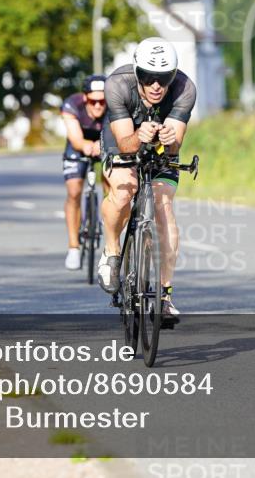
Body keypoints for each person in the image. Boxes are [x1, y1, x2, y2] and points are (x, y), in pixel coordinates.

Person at [98, 37, 196, 319]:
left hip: (159, 146)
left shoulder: (184, 89)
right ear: (138, 73)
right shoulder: (117, 85)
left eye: (163, 78)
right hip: (124, 138)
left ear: (173, 76)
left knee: (163, 205)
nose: (156, 86)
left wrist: (169, 140)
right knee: (123, 192)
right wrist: (138, 136)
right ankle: (113, 251)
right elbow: (124, 142)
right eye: (149, 78)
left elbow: (175, 143)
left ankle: (164, 296)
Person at [61, 75, 107, 270]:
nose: (97, 105)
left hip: (106, 143)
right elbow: (75, 138)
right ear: (84, 97)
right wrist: (86, 146)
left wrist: (103, 146)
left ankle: (107, 216)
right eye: (93, 100)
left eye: (102, 101)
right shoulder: (72, 104)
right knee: (74, 192)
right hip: (79, 144)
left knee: (112, 182)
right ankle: (74, 248)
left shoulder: (115, 105)